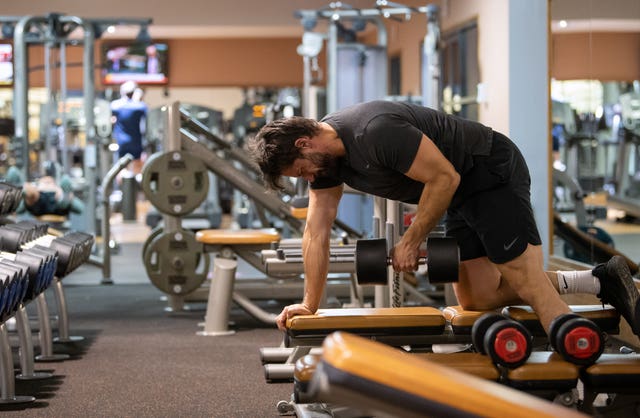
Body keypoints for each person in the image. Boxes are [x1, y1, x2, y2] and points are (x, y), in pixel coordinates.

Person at [247, 100, 640, 337]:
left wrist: (411, 240)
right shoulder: (328, 164)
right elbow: (316, 233)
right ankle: (599, 279)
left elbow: (444, 176)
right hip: (458, 191)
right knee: (478, 297)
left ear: (305, 143)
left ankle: (576, 348)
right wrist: (309, 304)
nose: (309, 179)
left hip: (488, 169)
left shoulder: (373, 131)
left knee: (522, 276)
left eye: (302, 171)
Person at [110, 80, 148, 176]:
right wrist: (139, 98)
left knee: (121, 168)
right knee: (137, 169)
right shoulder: (139, 107)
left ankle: (123, 189)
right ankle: (136, 190)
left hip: (121, 142)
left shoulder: (115, 106)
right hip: (136, 142)